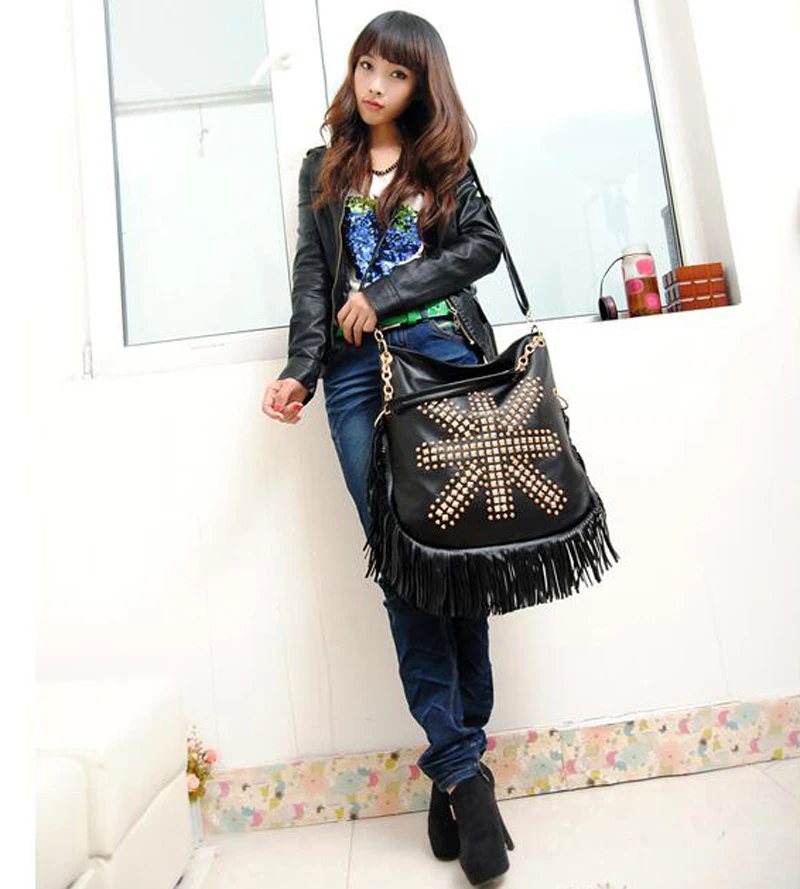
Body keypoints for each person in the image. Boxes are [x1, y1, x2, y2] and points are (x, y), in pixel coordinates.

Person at [262, 10, 514, 884]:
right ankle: (464, 773)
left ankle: (457, 770)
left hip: (443, 361)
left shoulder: (441, 160)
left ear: (420, 84)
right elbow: (312, 276)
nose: (374, 84)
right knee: (405, 568)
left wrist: (389, 290)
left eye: (396, 73)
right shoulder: (323, 166)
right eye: (367, 65)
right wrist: (300, 368)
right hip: (355, 380)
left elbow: (483, 245)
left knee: (461, 561)